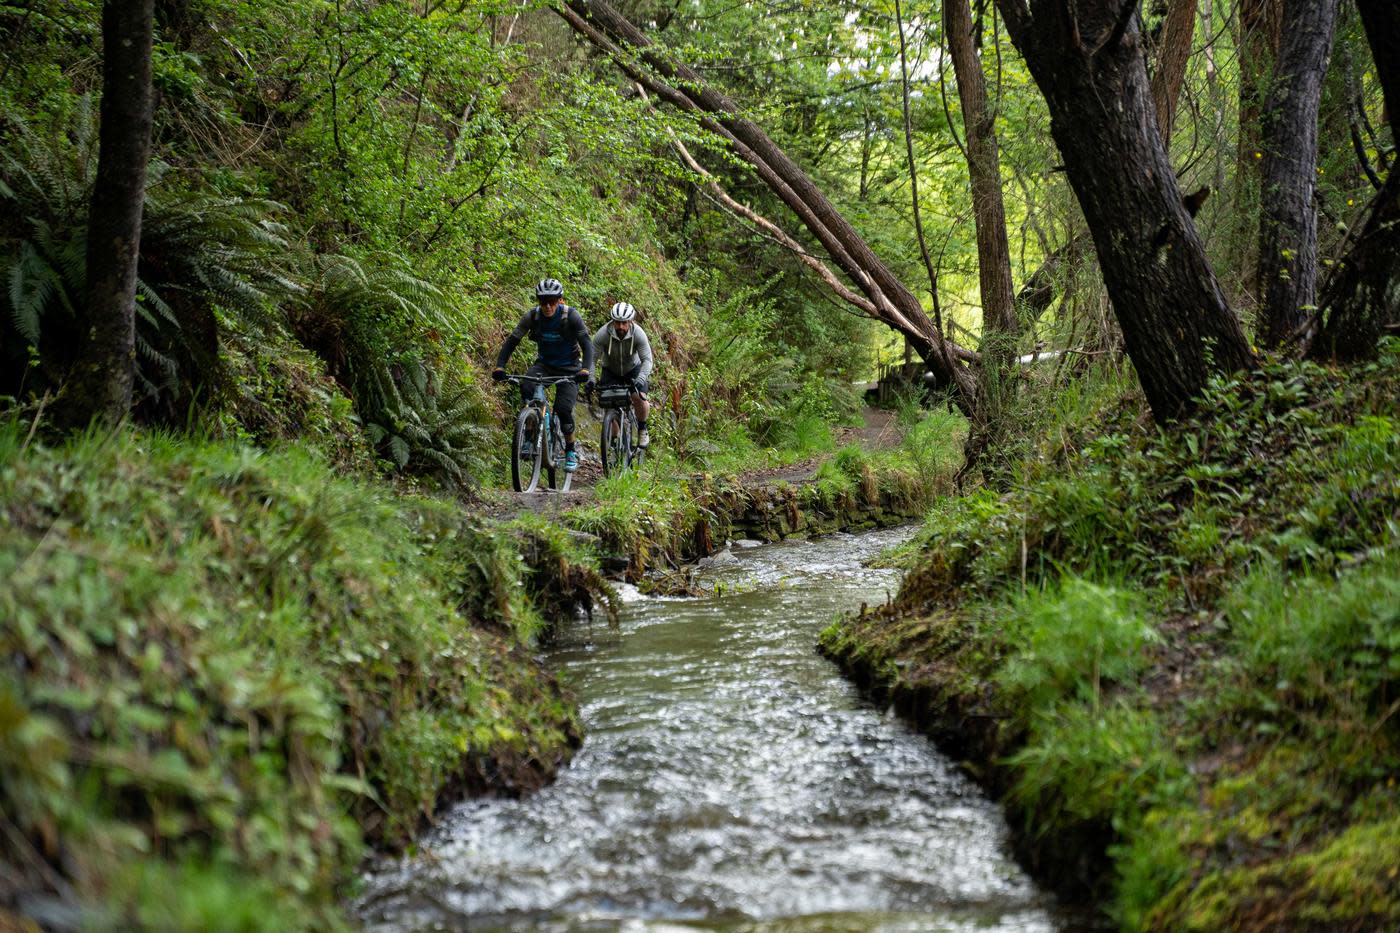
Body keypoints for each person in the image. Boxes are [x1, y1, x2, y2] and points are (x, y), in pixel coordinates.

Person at [492, 278, 593, 472]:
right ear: (539, 301)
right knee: (527, 388)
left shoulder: (570, 316)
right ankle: (529, 437)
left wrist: (585, 370)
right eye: (543, 301)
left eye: (552, 301)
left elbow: (587, 344)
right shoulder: (532, 317)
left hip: (570, 368)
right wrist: (500, 366)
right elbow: (512, 341)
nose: (547, 306)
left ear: (560, 300)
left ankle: (570, 450)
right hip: (545, 365)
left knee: (563, 410)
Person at [591, 301, 653, 448]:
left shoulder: (638, 334)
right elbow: (591, 359)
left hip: (633, 369)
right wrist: (591, 378)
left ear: (630, 321)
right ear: (612, 321)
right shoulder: (603, 334)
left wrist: (641, 379)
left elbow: (647, 360)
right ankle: (614, 438)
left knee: (639, 397)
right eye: (617, 323)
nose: (620, 327)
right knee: (608, 403)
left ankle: (642, 428)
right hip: (610, 370)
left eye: (624, 323)